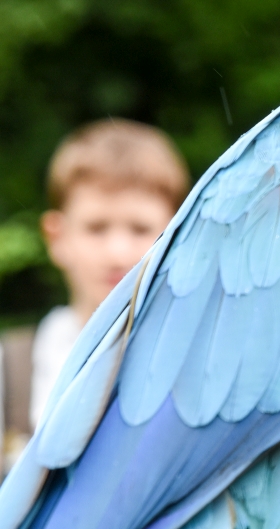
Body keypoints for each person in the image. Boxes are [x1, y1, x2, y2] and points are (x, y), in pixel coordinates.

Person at [1, 119, 188, 470]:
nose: (117, 252)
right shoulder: (10, 372)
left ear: (175, 236)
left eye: (140, 228)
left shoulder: (201, 361)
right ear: (57, 237)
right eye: (96, 228)